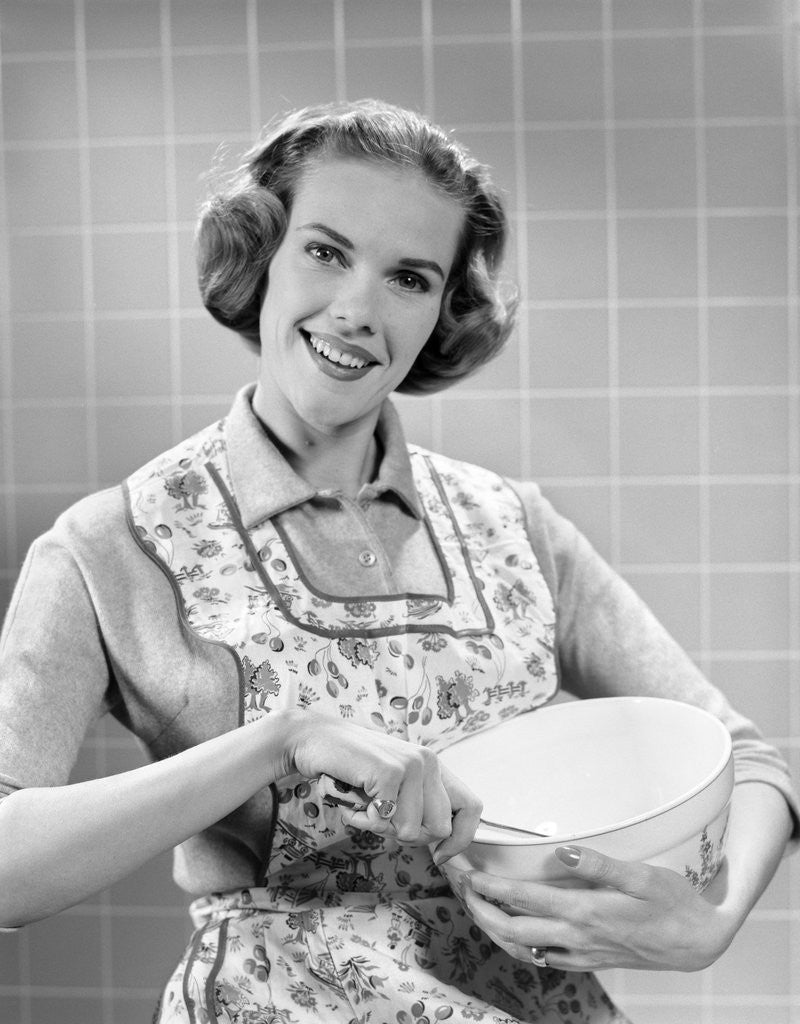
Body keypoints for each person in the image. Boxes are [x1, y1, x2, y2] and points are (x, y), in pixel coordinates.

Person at [0, 99, 796, 1024]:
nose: (357, 310)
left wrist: (711, 924)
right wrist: (278, 741)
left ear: (443, 313)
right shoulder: (109, 545)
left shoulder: (514, 525)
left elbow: (748, 761)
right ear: (262, 257)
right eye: (325, 252)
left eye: (409, 278)